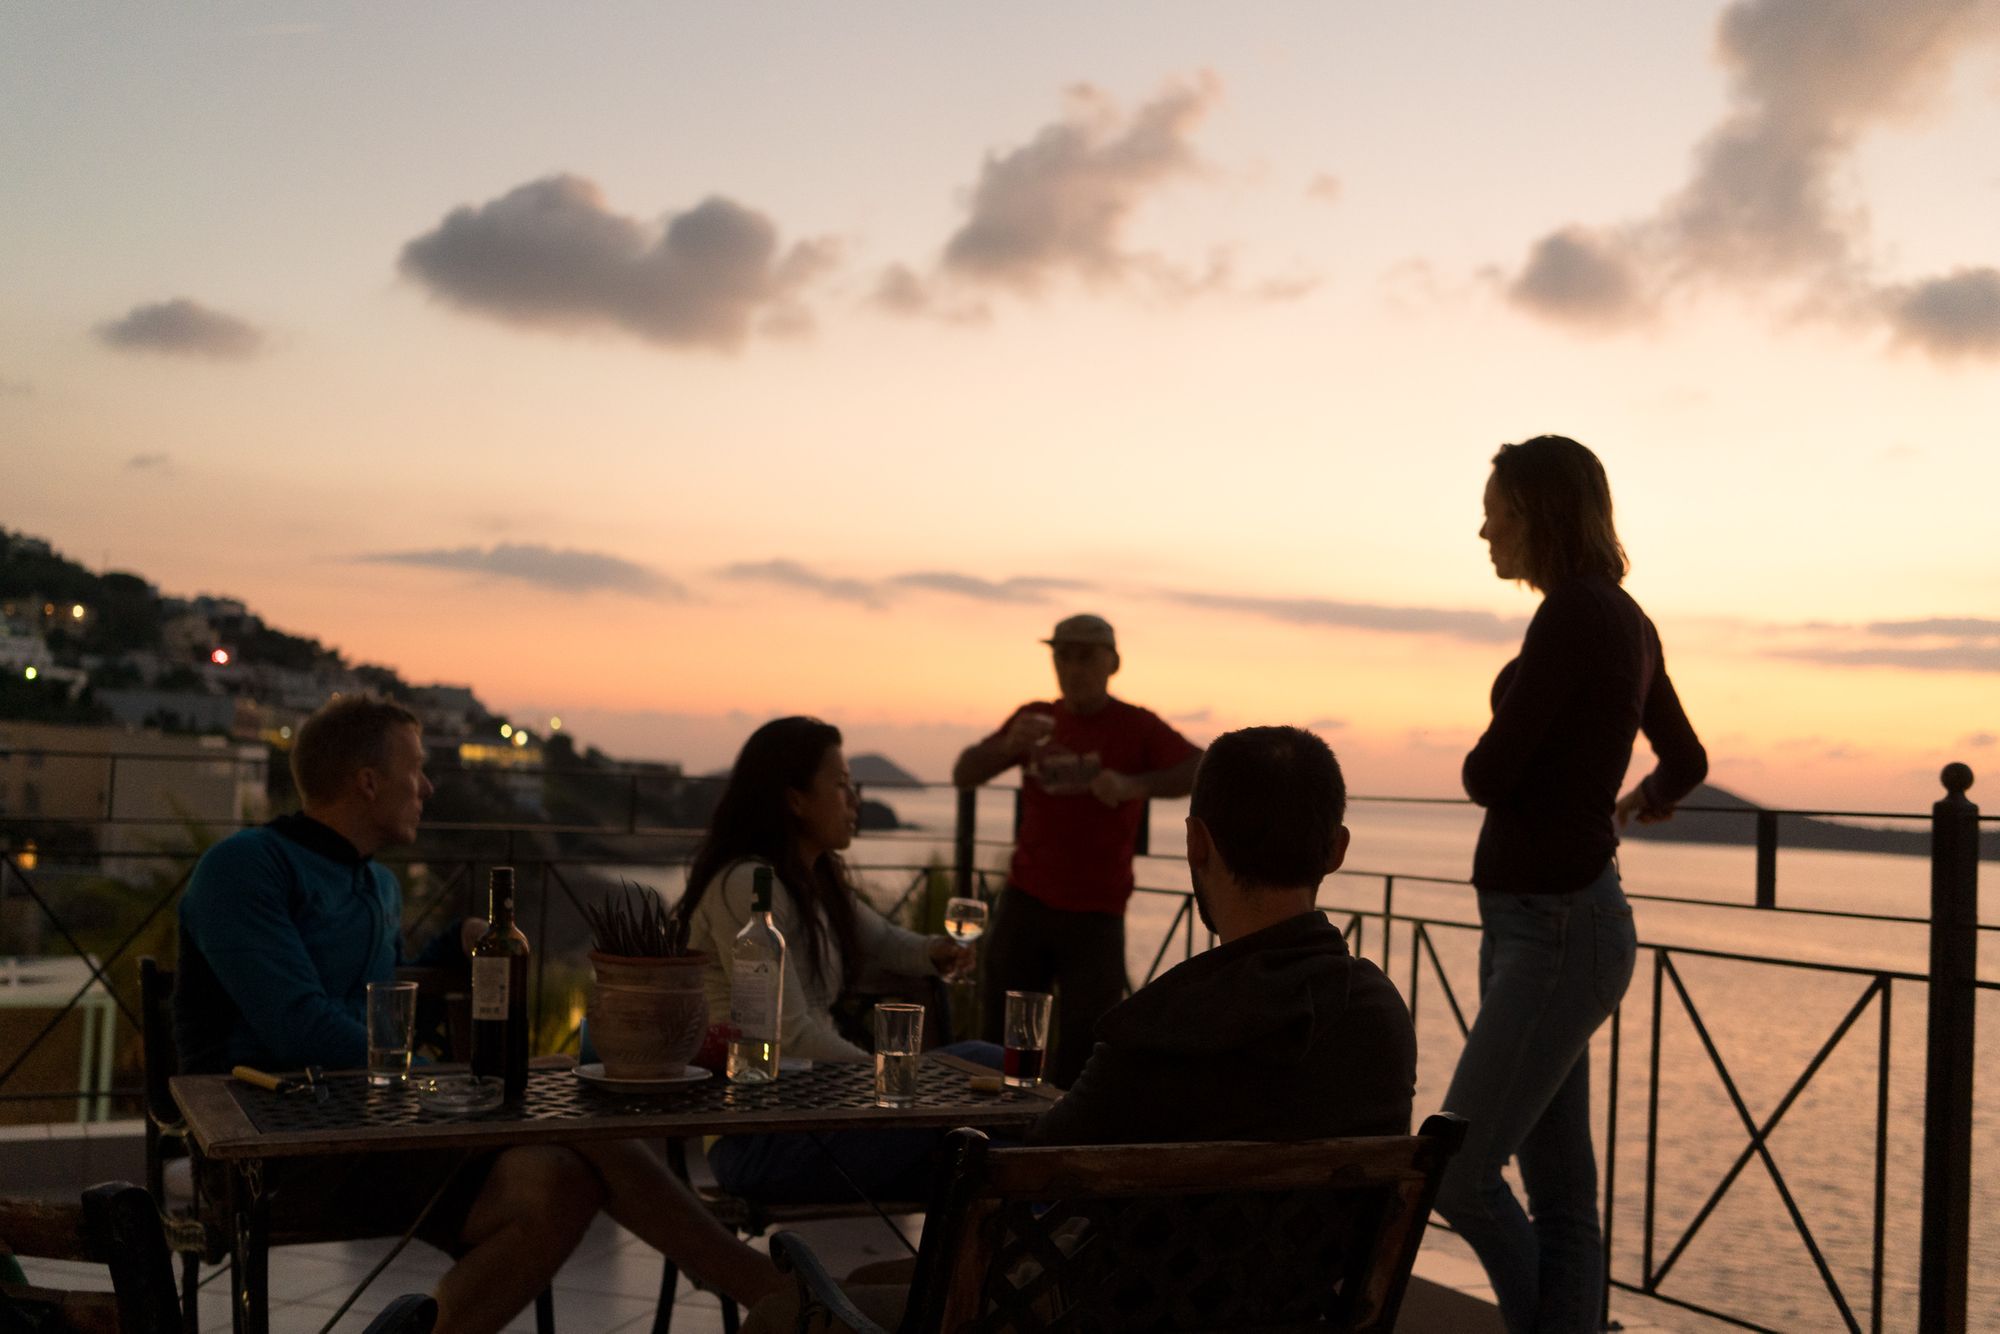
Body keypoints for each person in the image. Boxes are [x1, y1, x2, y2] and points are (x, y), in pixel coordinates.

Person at [742, 724, 1416, 1333]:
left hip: (1109, 1315)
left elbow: (1034, 1177)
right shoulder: (1385, 1019)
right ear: (1336, 850)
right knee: (874, 1281)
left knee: (783, 1314)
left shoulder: (1157, 1031)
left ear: (1195, 842)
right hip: (1299, 1317)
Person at [176, 695, 781, 1334]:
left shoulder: (375, 883)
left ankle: (762, 1292)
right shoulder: (245, 868)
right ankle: (769, 1293)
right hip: (270, 1145)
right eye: (416, 770)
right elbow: (297, 1024)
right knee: (569, 1109)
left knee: (561, 1179)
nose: (428, 787)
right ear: (368, 782)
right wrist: (442, 1078)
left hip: (376, 1127)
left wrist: (455, 942)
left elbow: (376, 985)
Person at [1435, 435, 1707, 1334]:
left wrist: (1507, 756)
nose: (1483, 530)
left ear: (1540, 513)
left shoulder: (1573, 617)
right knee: (1561, 1199)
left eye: (1498, 511)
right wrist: (1637, 803)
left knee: (1459, 1174)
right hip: (1555, 925)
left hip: (1554, 931)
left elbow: (1490, 774)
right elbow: (1687, 759)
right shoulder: (1623, 618)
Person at [680, 715, 987, 1202]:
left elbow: (886, 940)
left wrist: (936, 951)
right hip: (761, 1138)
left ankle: (1024, 1253)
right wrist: (897, 1078)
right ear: (795, 799)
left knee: (987, 1094)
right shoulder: (748, 885)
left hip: (817, 1110)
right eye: (842, 786)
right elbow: (792, 1034)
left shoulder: (814, 882)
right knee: (979, 1086)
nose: (854, 801)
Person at [952, 613, 1201, 1087]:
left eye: (1085, 656)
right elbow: (965, 772)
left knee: (1088, 1047)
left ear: (1113, 664)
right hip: (1026, 901)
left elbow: (1201, 767)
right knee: (1000, 1041)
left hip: (1096, 911)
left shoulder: (1135, 725)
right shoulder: (1035, 719)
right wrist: (1008, 745)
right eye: (1062, 655)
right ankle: (990, 1137)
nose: (1072, 667)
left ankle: (1064, 1147)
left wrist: (1134, 784)